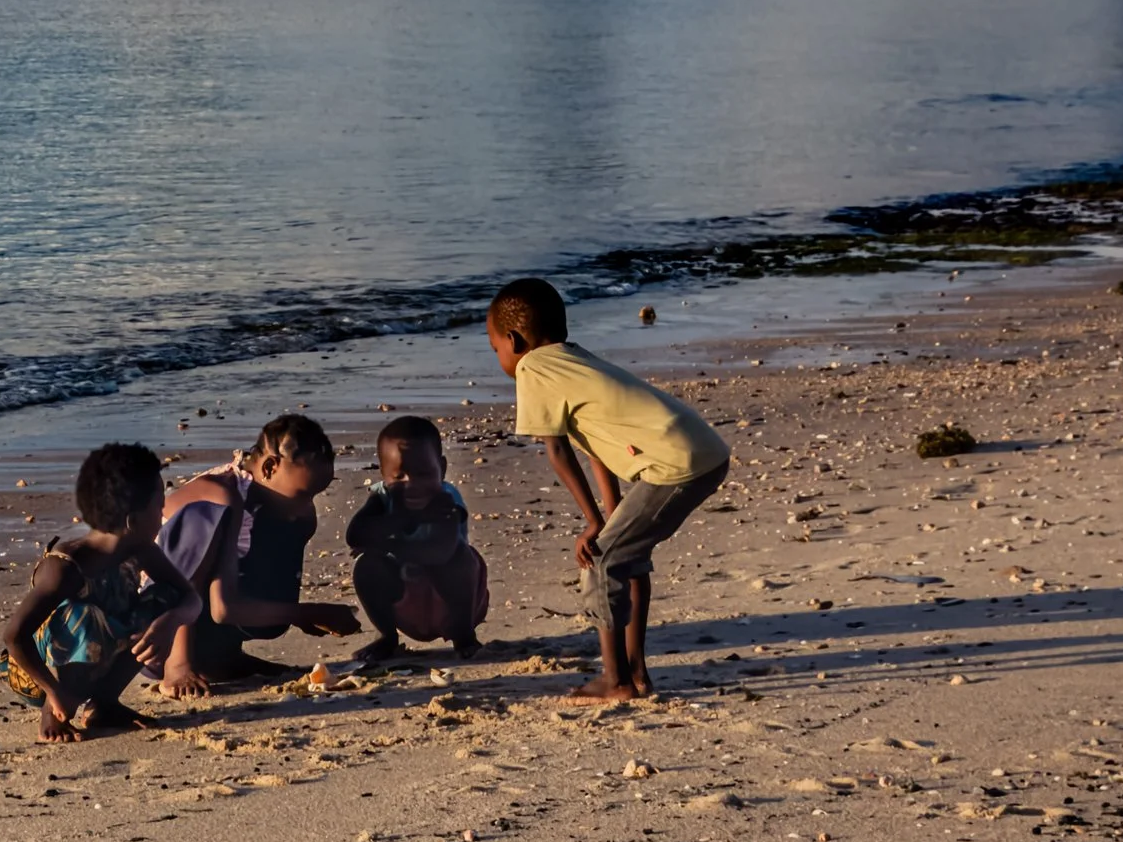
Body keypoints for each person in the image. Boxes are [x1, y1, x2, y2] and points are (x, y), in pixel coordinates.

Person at [486, 278, 731, 701]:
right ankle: (636, 674)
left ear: (514, 340)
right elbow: (594, 447)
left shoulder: (534, 368)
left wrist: (595, 525)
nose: (500, 359)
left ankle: (615, 680)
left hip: (676, 465)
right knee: (626, 556)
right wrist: (609, 515)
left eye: (495, 350)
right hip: (699, 452)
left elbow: (559, 451)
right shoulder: (575, 360)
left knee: (602, 562)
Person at [2, 442, 200, 743]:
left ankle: (104, 704)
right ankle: (53, 712)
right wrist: (51, 693)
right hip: (38, 672)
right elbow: (15, 636)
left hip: (102, 650)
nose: (163, 512)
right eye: (158, 505)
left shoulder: (141, 550)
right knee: (84, 617)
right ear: (132, 520)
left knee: (166, 598)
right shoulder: (66, 567)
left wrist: (170, 622)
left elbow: (190, 598)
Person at [151, 413, 360, 695]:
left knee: (296, 524)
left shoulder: (287, 510)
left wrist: (301, 614)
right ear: (270, 467)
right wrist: (307, 612)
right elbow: (223, 608)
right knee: (208, 518)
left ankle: (223, 657)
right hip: (149, 631)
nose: (307, 506)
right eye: (302, 494)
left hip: (203, 627)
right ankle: (177, 664)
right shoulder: (223, 494)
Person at [347, 415, 489, 663]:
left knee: (462, 558)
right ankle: (388, 637)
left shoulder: (446, 500)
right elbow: (355, 535)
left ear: (442, 469)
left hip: (453, 601)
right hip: (404, 597)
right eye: (399, 476)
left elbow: (440, 552)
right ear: (383, 474)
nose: (411, 483)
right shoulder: (381, 497)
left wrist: (386, 541)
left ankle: (464, 637)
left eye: (423, 474)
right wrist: (404, 521)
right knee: (366, 565)